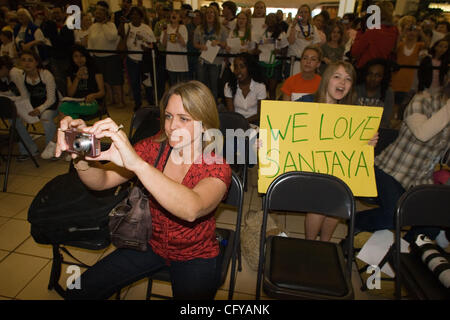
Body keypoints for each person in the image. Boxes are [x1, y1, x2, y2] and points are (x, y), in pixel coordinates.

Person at [57, 80, 232, 300]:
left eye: (184, 118)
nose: (171, 126)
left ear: (205, 125)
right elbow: (101, 181)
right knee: (78, 292)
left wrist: (138, 165)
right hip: (150, 242)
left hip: (195, 253)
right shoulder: (153, 147)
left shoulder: (216, 165)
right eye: (168, 116)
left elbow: (192, 209)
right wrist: (79, 156)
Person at [354, 63, 450, 243]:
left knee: (433, 222)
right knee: (394, 214)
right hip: (389, 170)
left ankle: (404, 253)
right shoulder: (422, 100)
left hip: (421, 179)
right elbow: (423, 133)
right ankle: (355, 222)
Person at [297, 61, 379, 241]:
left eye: (348, 79)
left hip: (337, 172)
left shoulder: (354, 113)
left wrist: (368, 144)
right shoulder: (306, 102)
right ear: (327, 79)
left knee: (337, 202)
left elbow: (356, 152)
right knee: (321, 203)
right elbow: (285, 131)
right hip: (310, 171)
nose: (342, 82)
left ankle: (325, 244)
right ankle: (309, 244)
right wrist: (267, 142)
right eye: (337, 76)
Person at [13, 50, 59, 160]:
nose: (27, 63)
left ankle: (52, 149)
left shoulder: (45, 74)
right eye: (23, 60)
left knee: (46, 117)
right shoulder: (21, 77)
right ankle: (29, 149)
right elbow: (24, 97)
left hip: (52, 105)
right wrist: (20, 109)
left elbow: (51, 99)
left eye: (30, 60)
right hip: (33, 106)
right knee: (14, 119)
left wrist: (39, 109)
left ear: (36, 62)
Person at [88, 2, 124, 108]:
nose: (98, 14)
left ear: (106, 14)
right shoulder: (93, 26)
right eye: (97, 12)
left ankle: (120, 100)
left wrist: (104, 24)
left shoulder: (111, 25)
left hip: (111, 57)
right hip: (98, 57)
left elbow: (112, 37)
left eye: (101, 12)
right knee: (105, 81)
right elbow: (91, 41)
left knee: (115, 80)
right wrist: (91, 55)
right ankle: (111, 99)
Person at [391, 17, 429, 120]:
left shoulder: (419, 45)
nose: (411, 33)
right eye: (409, 31)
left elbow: (428, 44)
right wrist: (403, 32)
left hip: (410, 80)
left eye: (414, 31)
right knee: (393, 103)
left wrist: (420, 31)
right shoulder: (400, 45)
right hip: (396, 78)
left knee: (403, 105)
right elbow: (394, 48)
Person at [119, 6, 155, 111]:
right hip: (131, 59)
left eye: (137, 14)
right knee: (134, 83)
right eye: (133, 14)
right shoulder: (127, 26)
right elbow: (120, 34)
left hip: (144, 60)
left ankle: (150, 102)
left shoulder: (146, 28)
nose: (135, 16)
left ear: (141, 16)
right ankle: (138, 103)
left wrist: (147, 48)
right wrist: (122, 22)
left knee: (147, 82)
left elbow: (153, 42)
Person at [58, 45, 105, 120]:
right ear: (72, 58)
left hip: (92, 102)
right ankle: (75, 130)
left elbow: (102, 92)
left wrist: (94, 95)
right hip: (76, 102)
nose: (79, 59)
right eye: (76, 56)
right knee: (69, 114)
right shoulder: (70, 70)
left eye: (82, 56)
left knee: (64, 108)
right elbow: (70, 94)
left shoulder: (94, 68)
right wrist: (77, 78)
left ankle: (65, 130)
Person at [350, 1, 399, 70]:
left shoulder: (373, 31)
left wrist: (360, 32)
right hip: (383, 70)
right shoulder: (395, 31)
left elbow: (355, 52)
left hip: (366, 69)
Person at [194, 6, 227, 101]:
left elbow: (226, 44)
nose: (209, 14)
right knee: (201, 85)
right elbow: (195, 43)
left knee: (214, 85)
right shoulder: (199, 28)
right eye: (207, 12)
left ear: (216, 15)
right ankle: (202, 104)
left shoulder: (222, 29)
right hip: (202, 60)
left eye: (212, 12)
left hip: (215, 61)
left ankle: (213, 107)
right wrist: (201, 46)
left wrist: (219, 43)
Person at [224, 53, 266, 124]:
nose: (238, 71)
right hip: (236, 122)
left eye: (242, 67)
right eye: (236, 67)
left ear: (250, 68)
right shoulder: (229, 86)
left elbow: (260, 114)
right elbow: (231, 114)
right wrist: (240, 123)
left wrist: (244, 122)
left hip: (255, 122)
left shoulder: (260, 86)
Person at [255, 13, 288, 100]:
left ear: (277, 21)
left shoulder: (282, 34)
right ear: (266, 21)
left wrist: (279, 52)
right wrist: (257, 51)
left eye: (273, 18)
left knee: (272, 89)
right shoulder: (261, 32)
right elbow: (256, 46)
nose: (271, 20)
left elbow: (285, 50)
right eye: (268, 18)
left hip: (275, 64)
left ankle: (272, 107)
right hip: (263, 63)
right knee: (263, 89)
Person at [356, 58, 394, 128]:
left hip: (377, 131)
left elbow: (386, 120)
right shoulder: (355, 89)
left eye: (377, 75)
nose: (373, 78)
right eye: (370, 74)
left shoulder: (388, 93)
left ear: (384, 77)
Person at [286, 5, 322, 77]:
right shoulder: (292, 26)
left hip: (307, 61)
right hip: (295, 60)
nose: (303, 14)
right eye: (301, 12)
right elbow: (291, 41)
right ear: (298, 14)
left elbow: (317, 44)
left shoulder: (313, 28)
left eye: (306, 12)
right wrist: (294, 25)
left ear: (309, 14)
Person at [161, 10, 188, 86]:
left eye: (176, 14)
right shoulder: (167, 27)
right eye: (172, 13)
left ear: (179, 18)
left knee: (182, 85)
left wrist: (179, 35)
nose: (174, 14)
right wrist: (165, 33)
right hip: (170, 61)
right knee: (172, 85)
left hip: (181, 62)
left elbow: (184, 44)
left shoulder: (183, 28)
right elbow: (164, 44)